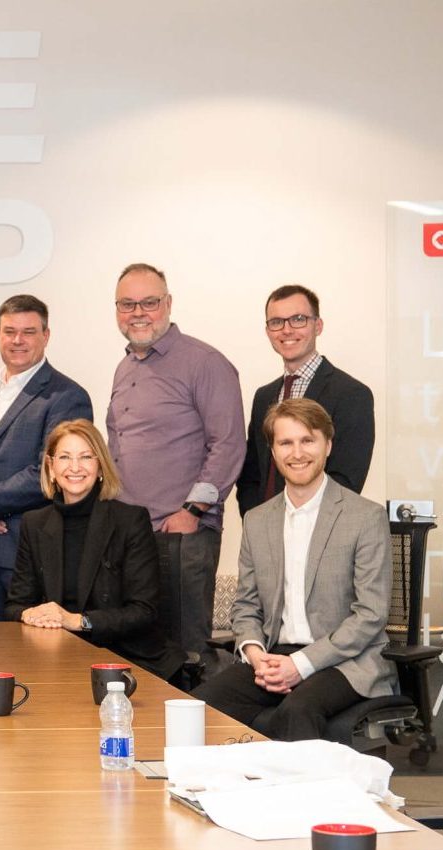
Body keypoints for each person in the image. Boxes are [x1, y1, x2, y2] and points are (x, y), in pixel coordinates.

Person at [193, 399, 394, 741]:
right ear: (272, 451)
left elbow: (370, 616)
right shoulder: (257, 521)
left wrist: (300, 665)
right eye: (286, 442)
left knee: (296, 712)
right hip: (273, 656)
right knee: (201, 706)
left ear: (328, 445)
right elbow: (246, 606)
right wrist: (256, 656)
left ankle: (300, 795)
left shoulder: (365, 517)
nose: (297, 453)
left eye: (308, 440)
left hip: (345, 661)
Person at [106, 263, 244, 672]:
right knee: (143, 650)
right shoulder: (125, 366)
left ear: (168, 303)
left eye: (149, 302)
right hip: (132, 534)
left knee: (186, 655)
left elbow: (229, 443)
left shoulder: (204, 362)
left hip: (181, 536)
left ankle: (195, 736)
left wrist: (192, 512)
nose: (138, 312)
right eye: (127, 304)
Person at [0, 294, 92, 621]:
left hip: (23, 554)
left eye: (28, 332)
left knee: (24, 658)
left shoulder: (67, 396)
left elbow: (50, 470)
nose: (17, 340)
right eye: (9, 331)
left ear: (46, 336)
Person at [4, 420, 184, 682]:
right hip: (56, 658)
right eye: (65, 457)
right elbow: (14, 604)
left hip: (125, 659)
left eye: (86, 457)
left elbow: (144, 610)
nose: (75, 467)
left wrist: (78, 621)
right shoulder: (35, 523)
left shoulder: (130, 520)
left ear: (100, 467)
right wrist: (28, 614)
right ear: (51, 468)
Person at [235, 284, 374, 515]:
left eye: (298, 319)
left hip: (321, 533)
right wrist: (257, 520)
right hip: (266, 533)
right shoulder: (264, 396)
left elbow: (347, 479)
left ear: (317, 326)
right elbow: (252, 474)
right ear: (268, 330)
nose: (287, 330)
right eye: (276, 322)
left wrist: (302, 525)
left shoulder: (351, 394)